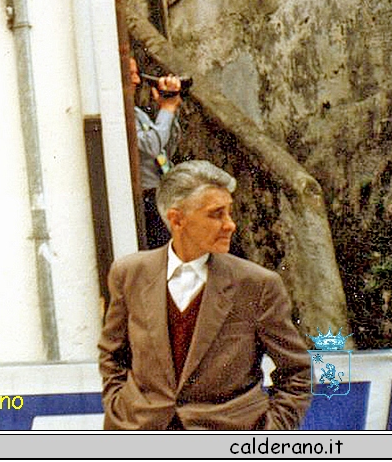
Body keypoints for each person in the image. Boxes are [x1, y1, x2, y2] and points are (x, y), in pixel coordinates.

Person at [97, 160, 311, 430]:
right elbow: (112, 354)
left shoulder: (257, 285)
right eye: (216, 214)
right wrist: (119, 406)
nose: (230, 225)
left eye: (229, 213)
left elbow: (297, 372)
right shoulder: (129, 274)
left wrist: (268, 437)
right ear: (177, 219)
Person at [129, 57, 182, 249]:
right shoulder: (121, 116)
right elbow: (150, 146)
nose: (136, 80)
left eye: (136, 73)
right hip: (146, 199)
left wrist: (168, 111)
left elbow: (164, 149)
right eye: (130, 75)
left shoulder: (137, 113)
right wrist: (166, 110)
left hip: (162, 192)